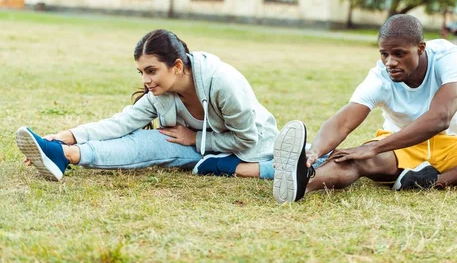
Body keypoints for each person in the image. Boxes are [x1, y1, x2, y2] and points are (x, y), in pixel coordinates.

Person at [273, 14, 457, 203]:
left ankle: (438, 181)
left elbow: (440, 118)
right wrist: (314, 151)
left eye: (399, 53)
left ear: (421, 48)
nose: (390, 62)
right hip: (398, 150)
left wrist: (374, 146)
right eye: (384, 54)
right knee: (352, 159)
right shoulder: (379, 77)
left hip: (449, 146)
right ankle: (302, 182)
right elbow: (343, 121)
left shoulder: (450, 57)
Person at [16, 29, 278, 181]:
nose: (146, 80)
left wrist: (195, 138)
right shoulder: (161, 92)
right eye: (141, 72)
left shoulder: (223, 83)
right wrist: (67, 135)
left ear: (177, 66)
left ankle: (64, 156)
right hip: (201, 147)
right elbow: (121, 123)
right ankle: (61, 153)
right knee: (143, 140)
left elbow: (246, 140)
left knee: (153, 144)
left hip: (251, 149)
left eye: (151, 71)